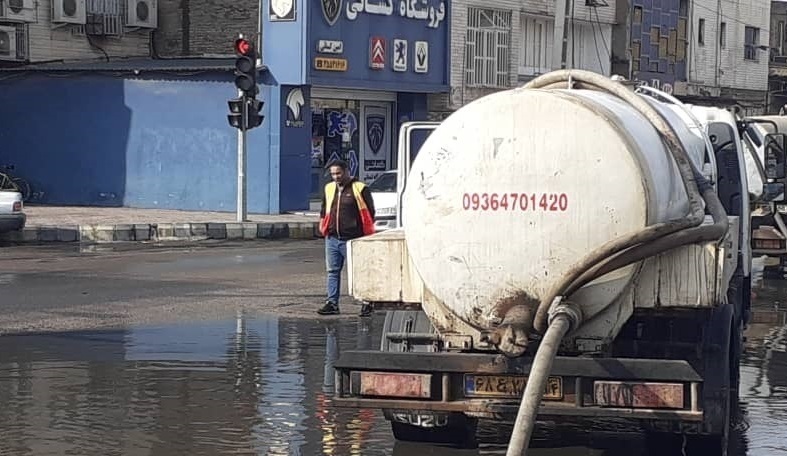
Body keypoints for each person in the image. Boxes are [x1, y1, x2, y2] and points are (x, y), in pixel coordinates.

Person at [317, 159, 376, 316]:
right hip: (333, 238)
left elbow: (370, 212)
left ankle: (366, 302)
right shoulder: (329, 188)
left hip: (354, 239)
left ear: (347, 171)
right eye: (333, 174)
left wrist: (365, 235)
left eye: (338, 173)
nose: (336, 177)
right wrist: (324, 228)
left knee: (359, 272)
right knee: (332, 271)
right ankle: (332, 303)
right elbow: (324, 210)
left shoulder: (360, 188)